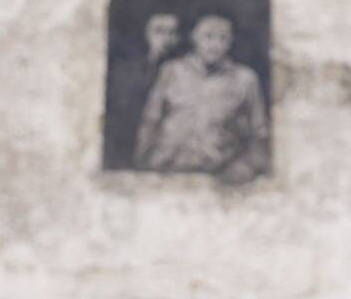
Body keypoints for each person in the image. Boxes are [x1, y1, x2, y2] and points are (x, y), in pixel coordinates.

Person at [133, 14, 269, 184]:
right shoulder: (171, 71)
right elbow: (150, 120)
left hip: (216, 177)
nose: (214, 45)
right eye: (208, 36)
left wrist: (246, 165)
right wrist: (141, 164)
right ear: (194, 38)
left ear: (231, 42)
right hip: (166, 170)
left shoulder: (245, 79)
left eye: (222, 38)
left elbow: (260, 134)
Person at [104, 12, 180, 169]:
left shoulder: (183, 71)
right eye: (159, 31)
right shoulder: (127, 69)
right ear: (147, 34)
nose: (165, 39)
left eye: (171, 33)